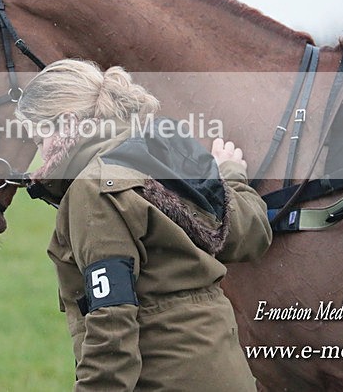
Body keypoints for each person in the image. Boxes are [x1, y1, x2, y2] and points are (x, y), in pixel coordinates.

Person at [16, 59, 271, 391]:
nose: (41, 156)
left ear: (67, 123)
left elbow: (111, 327)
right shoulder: (161, 155)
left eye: (39, 140)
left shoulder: (94, 189)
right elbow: (250, 233)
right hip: (225, 372)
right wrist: (230, 178)